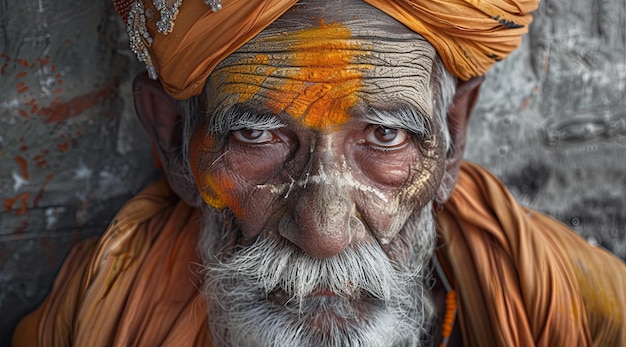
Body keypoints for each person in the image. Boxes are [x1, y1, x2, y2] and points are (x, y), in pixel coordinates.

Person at [12, 0, 626, 346]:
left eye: (385, 135)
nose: (324, 231)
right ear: (175, 141)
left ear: (452, 138)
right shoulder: (99, 317)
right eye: (257, 134)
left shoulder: (583, 313)